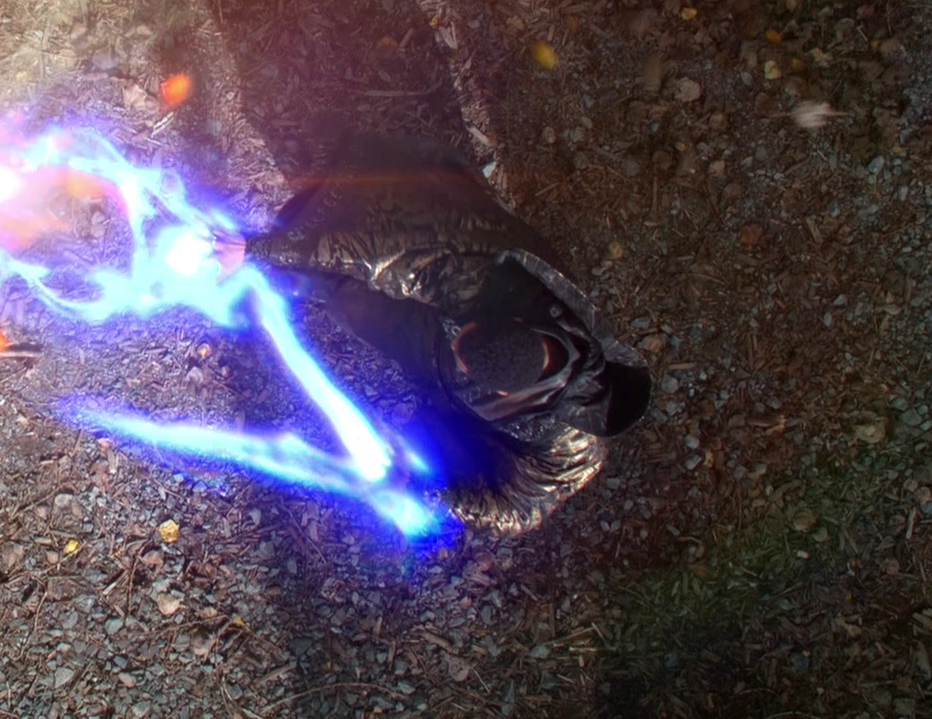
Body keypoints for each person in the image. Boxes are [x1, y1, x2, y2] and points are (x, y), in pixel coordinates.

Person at [214, 129, 652, 534]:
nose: (459, 342)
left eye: (464, 350)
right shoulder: (493, 287)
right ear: (514, 325)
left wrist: (445, 499)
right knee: (349, 286)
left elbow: (521, 509)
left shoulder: (571, 448)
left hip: (435, 373)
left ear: (503, 394)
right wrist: (262, 249)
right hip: (438, 332)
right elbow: (392, 255)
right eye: (467, 337)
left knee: (352, 306)